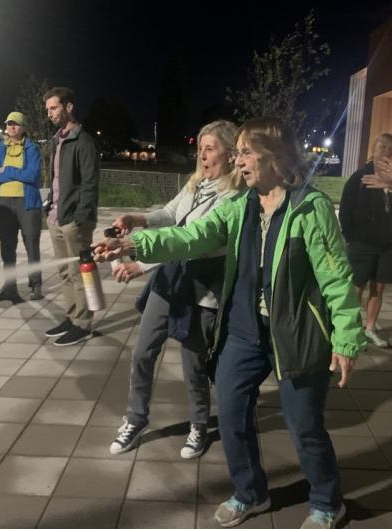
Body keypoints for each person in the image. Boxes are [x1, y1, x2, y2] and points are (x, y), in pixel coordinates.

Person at [93, 117, 366, 529]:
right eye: (236, 152)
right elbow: (190, 237)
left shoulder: (311, 209)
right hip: (243, 328)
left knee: (305, 426)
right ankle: (250, 493)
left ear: (274, 156)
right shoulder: (239, 208)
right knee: (233, 413)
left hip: (296, 332)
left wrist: (346, 337)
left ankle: (328, 502)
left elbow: (336, 277)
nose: (238, 161)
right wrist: (133, 244)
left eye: (245, 152)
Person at [97, 120, 243, 459]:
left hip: (202, 289)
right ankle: (135, 419)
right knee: (143, 352)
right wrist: (137, 219)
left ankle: (198, 424)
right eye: (200, 149)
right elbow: (170, 214)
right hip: (171, 280)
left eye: (210, 149)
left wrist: (139, 260)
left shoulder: (233, 197)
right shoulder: (197, 184)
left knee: (194, 364)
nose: (202, 156)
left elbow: (192, 242)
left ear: (230, 154)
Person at [43, 87, 100, 346]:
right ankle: (72, 316)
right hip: (56, 217)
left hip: (75, 221)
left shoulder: (84, 141)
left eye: (54, 108)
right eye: (47, 110)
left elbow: (90, 184)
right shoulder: (57, 141)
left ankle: (84, 323)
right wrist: (49, 207)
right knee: (65, 272)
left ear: (68, 107)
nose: (50, 113)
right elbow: (53, 178)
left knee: (81, 272)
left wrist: (79, 216)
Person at [339, 133, 392, 348]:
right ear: (373, 150)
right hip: (363, 243)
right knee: (357, 286)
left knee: (379, 287)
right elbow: (346, 210)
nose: (386, 151)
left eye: (390, 148)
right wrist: (352, 239)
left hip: (391, 246)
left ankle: (370, 327)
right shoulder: (359, 177)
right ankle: (350, 330)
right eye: (382, 147)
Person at [0, 111, 43, 303]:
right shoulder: (0, 149)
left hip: (27, 204)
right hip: (4, 203)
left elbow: (33, 176)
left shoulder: (32, 149)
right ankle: (9, 287)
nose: (12, 127)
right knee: (7, 247)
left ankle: (36, 286)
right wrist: (17, 173)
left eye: (16, 124)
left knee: (31, 246)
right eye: (9, 124)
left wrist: (9, 171)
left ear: (23, 127)